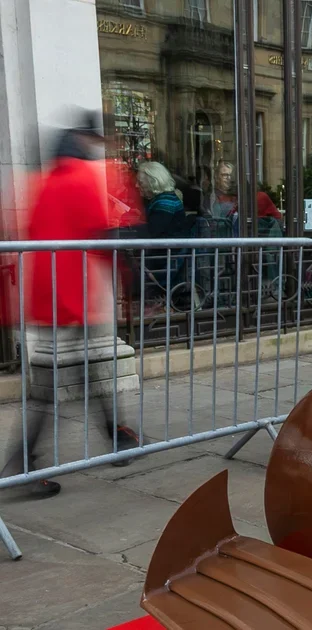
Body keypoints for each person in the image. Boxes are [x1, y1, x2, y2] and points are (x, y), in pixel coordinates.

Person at [1, 113, 141, 499]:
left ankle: (117, 435)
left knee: (82, 369)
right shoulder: (83, 178)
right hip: (72, 290)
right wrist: (125, 275)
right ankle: (22, 462)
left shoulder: (44, 181)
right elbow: (101, 235)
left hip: (46, 291)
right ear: (84, 142)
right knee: (54, 384)